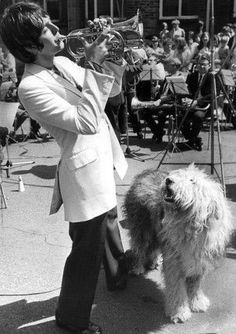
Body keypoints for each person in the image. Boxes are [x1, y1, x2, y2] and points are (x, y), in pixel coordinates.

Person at [0, 2, 129, 334]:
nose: (57, 29)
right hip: (82, 171)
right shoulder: (30, 87)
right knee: (85, 251)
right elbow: (86, 120)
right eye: (46, 28)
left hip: (102, 156)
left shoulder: (61, 61)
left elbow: (109, 92)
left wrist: (109, 59)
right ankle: (71, 319)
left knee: (110, 221)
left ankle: (118, 277)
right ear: (29, 46)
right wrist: (95, 63)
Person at [181, 54, 220, 150]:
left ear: (209, 65)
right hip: (191, 104)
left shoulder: (214, 77)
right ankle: (194, 139)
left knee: (198, 116)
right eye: (200, 64)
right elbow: (187, 91)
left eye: (204, 64)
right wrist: (184, 98)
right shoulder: (192, 76)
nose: (201, 66)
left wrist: (197, 102)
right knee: (179, 116)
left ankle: (192, 141)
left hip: (205, 105)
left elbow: (213, 94)